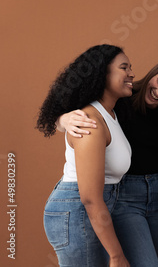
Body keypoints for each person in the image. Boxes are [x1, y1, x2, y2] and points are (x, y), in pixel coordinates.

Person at [56, 59, 158, 267]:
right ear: (152, 73)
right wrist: (64, 120)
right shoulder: (122, 98)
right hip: (126, 194)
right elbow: (74, 112)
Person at [37, 44, 134, 266]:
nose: (131, 73)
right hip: (78, 211)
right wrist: (117, 256)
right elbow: (90, 197)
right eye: (124, 67)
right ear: (102, 74)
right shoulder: (90, 122)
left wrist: (60, 120)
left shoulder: (111, 113)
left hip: (96, 208)